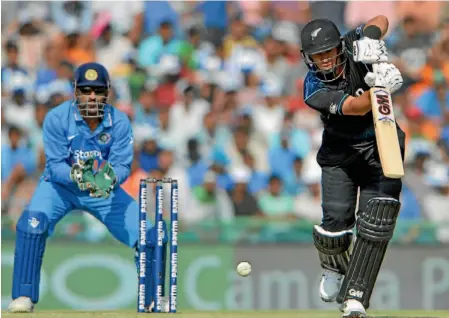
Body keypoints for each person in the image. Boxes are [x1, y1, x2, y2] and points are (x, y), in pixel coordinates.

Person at [8, 62, 168, 313]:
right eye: (85, 90)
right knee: (31, 223)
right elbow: (55, 166)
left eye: (97, 90)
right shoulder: (57, 118)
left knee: (151, 233)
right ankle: (24, 297)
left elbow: (124, 166)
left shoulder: (120, 122)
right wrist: (79, 175)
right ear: (75, 91)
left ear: (107, 92)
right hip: (60, 188)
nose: (92, 96)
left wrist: (110, 179)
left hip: (101, 191)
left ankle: (150, 299)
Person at [300, 17, 405, 317]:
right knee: (335, 226)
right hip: (340, 154)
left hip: (379, 149)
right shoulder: (313, 88)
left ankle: (355, 299)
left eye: (328, 52)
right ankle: (332, 268)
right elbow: (355, 107)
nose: (324, 60)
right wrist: (381, 88)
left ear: (339, 47)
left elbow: (381, 20)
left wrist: (370, 39)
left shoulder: (351, 45)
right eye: (317, 56)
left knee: (377, 223)